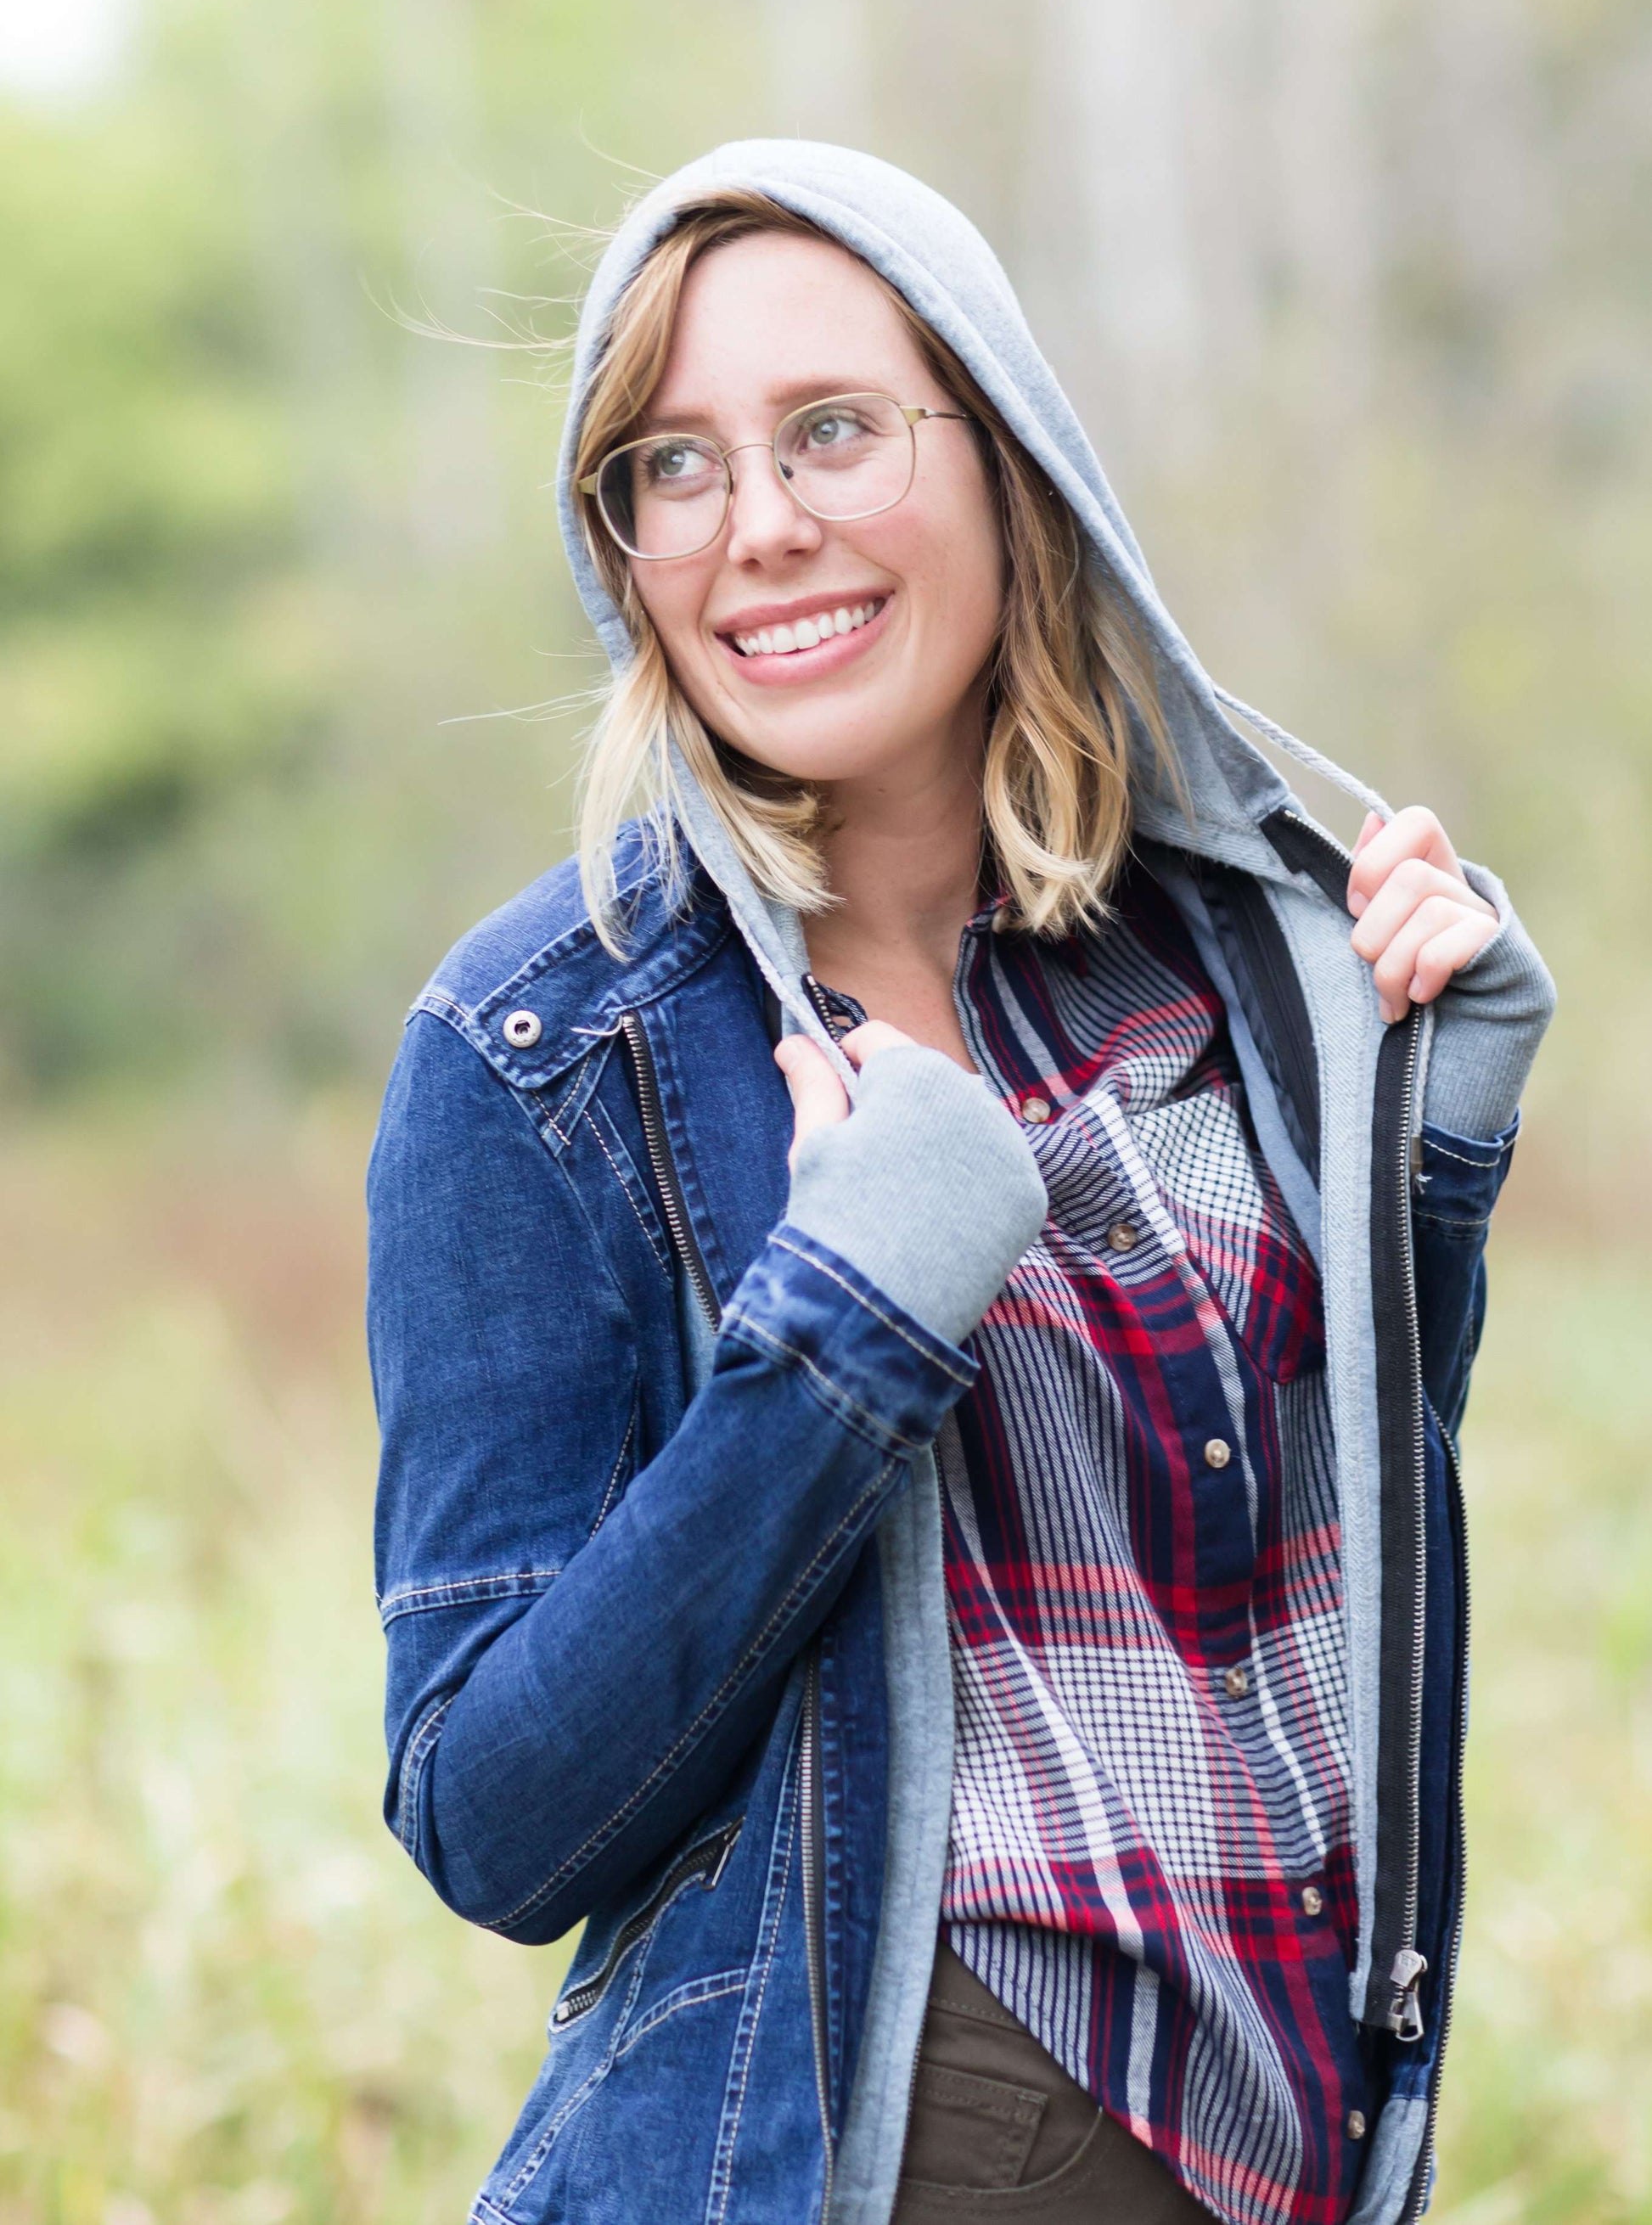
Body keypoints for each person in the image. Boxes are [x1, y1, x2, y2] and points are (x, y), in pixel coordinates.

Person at [365, 143, 1554, 2225]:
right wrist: (843, 1328)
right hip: (919, 2138)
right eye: (673, 465)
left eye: (831, 429)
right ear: (620, 543)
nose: (759, 529)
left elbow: (1308, 1583)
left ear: (1008, 454)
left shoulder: (1200, 963)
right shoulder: (543, 1057)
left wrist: (1427, 1155)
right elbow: (495, 1815)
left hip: (1289, 2140)